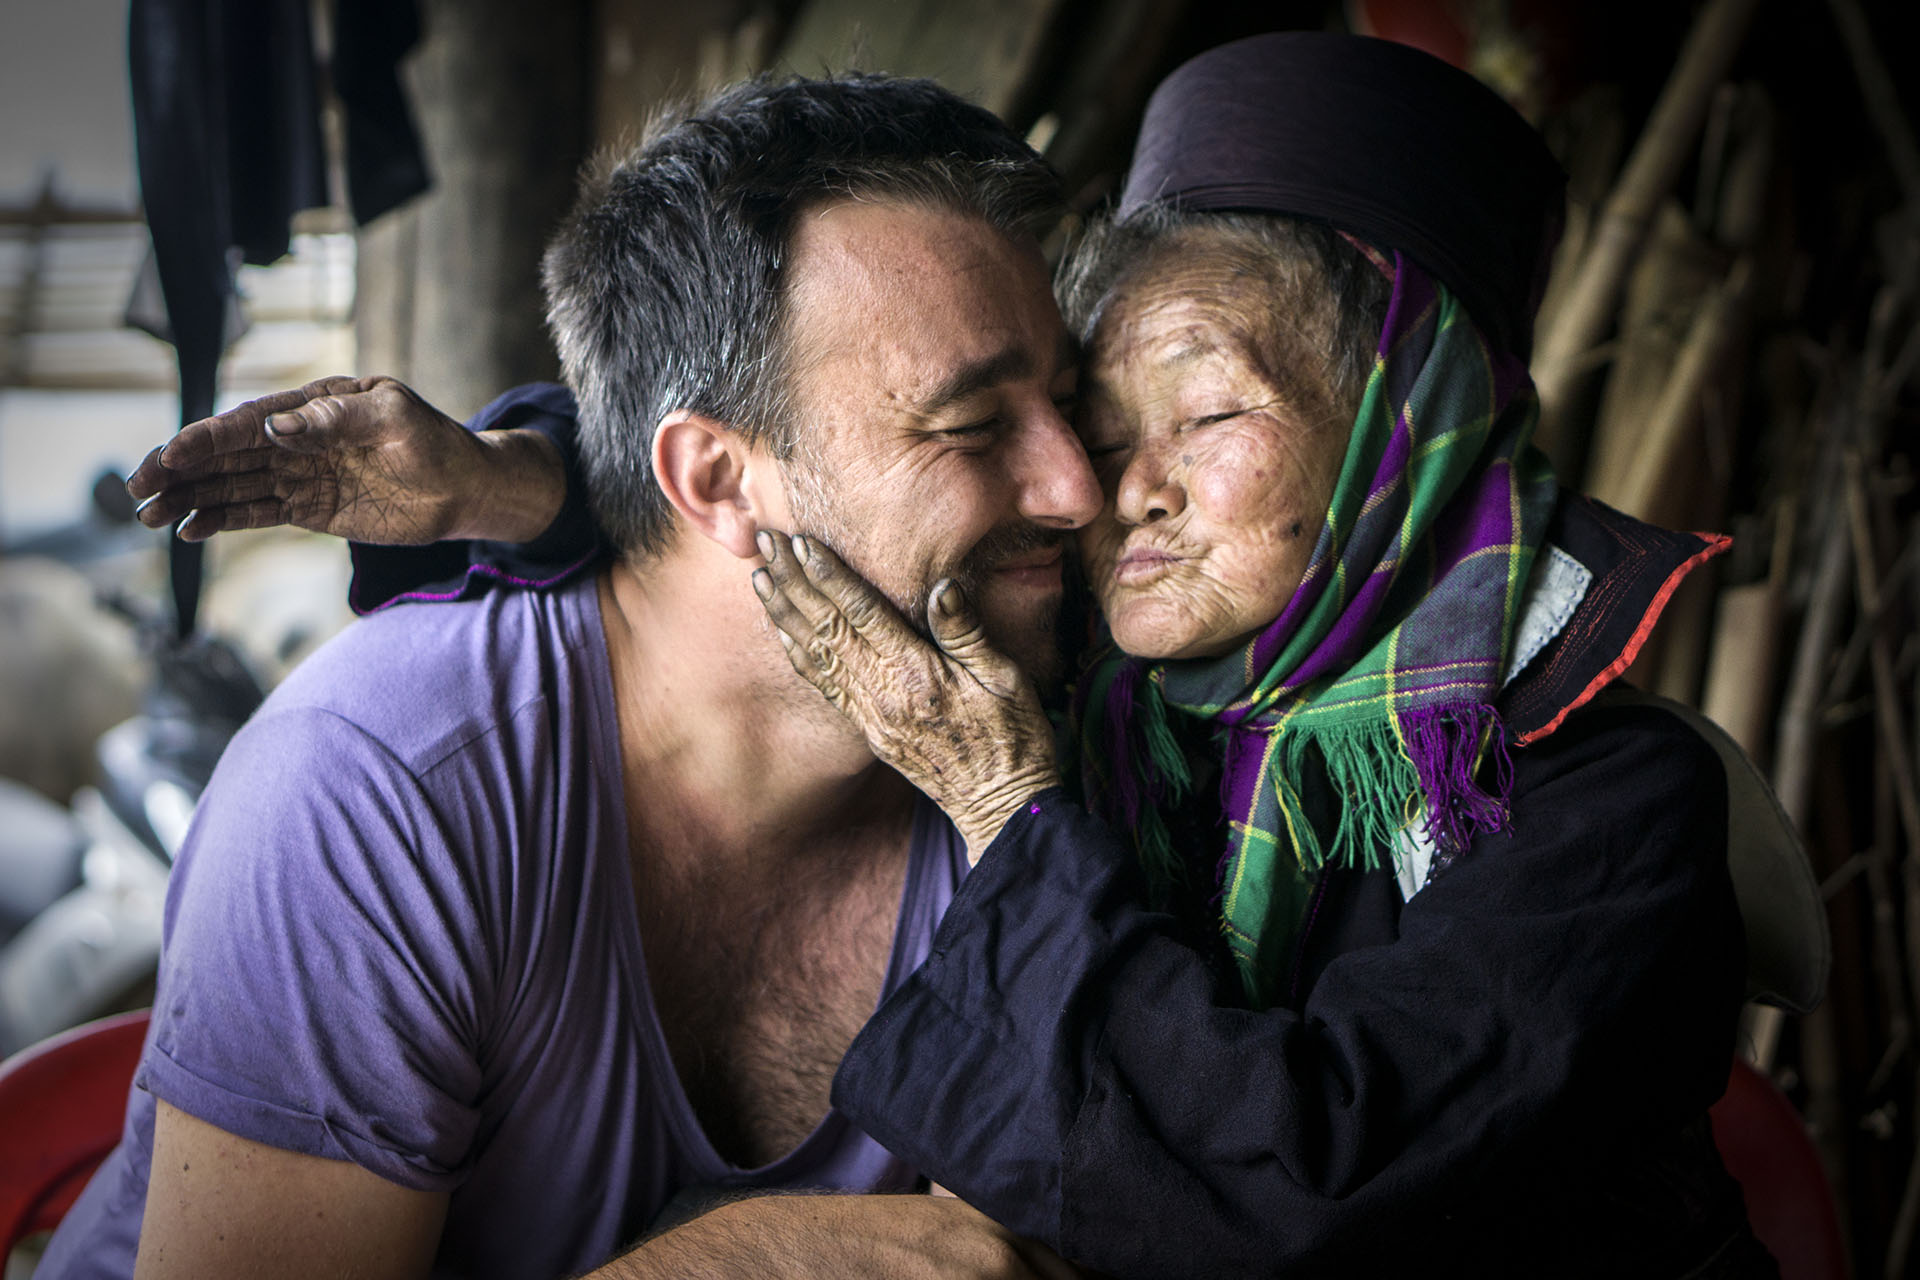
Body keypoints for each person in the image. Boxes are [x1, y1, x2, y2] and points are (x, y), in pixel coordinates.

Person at [123, 35, 1775, 1279]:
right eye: (1087, 413)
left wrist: (1002, 796)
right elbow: (814, 507)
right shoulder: (1145, 703)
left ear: (1411, 437)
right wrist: (543, 479)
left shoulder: (1588, 809)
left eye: (1206, 413)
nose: (1097, 488)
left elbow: (1298, 1196)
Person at [44, 74, 1097, 1280]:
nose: (1078, 488)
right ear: (712, 479)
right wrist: (736, 1261)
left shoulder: (1031, 759)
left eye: (1068, 405)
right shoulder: (381, 789)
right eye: (970, 426)